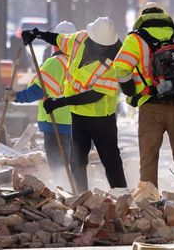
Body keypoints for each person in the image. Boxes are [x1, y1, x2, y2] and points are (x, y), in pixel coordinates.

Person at [112, 2, 174, 205]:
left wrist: (131, 94)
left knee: (149, 160)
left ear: (142, 17)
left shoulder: (136, 39)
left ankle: (150, 207)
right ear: (164, 16)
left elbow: (120, 67)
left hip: (150, 107)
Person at [23, 17, 127, 193]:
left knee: (110, 159)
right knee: (77, 161)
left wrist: (61, 101)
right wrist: (37, 34)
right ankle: (80, 196)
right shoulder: (80, 39)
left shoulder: (114, 60)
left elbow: (95, 95)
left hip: (102, 118)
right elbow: (58, 39)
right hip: (78, 115)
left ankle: (121, 194)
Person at [8, 20, 75, 185]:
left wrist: (16, 96)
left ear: (55, 44)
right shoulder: (79, 62)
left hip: (55, 123)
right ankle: (76, 193)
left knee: (58, 166)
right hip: (77, 122)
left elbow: (37, 91)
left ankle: (64, 193)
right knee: (73, 165)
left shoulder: (55, 63)